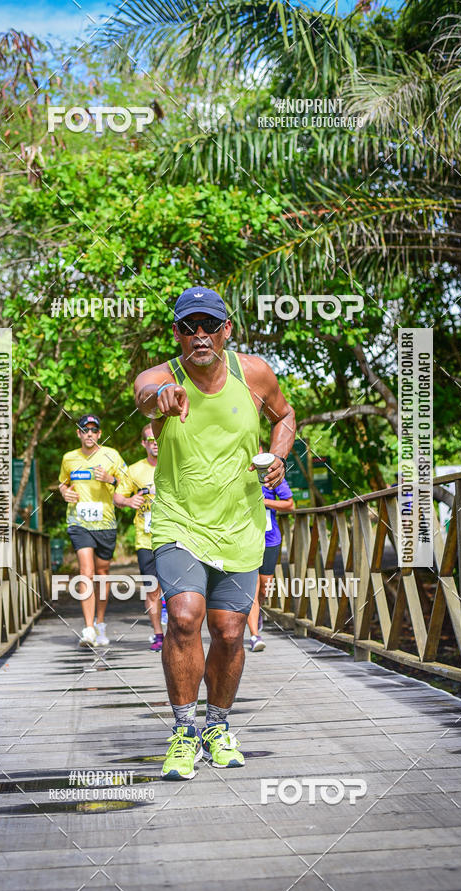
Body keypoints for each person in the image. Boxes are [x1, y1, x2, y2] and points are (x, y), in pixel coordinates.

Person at [134, 286, 295, 780]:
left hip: (241, 525)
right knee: (183, 617)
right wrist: (161, 400)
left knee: (228, 631)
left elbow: (286, 416)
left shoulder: (255, 375)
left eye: (209, 325)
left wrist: (280, 455)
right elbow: (145, 397)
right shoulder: (161, 376)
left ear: (227, 329)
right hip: (179, 521)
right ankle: (184, 732)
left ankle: (217, 726)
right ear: (177, 333)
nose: (199, 335)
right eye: (188, 326)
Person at [58, 414, 128, 648]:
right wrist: (63, 492)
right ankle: (88, 629)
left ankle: (100, 623)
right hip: (79, 522)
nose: (89, 434)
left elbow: (128, 483)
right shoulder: (69, 458)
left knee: (102, 574)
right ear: (78, 433)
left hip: (105, 523)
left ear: (99, 434)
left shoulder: (112, 455)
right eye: (84, 430)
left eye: (93, 430)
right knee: (86, 571)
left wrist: (111, 479)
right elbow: (63, 482)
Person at [114, 424, 165, 651]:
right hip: (146, 540)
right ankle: (158, 634)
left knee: (176, 589)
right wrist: (128, 501)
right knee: (152, 588)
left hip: (174, 536)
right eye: (150, 439)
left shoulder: (175, 464)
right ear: (144, 444)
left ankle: (178, 634)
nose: (155, 442)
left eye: (158, 438)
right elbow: (117, 497)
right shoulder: (134, 470)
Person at [246, 445, 295, 652]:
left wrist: (263, 502)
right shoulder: (237, 475)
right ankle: (254, 635)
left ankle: (258, 614)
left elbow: (290, 504)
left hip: (270, 538)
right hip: (246, 539)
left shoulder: (272, 477)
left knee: (264, 588)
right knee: (252, 589)